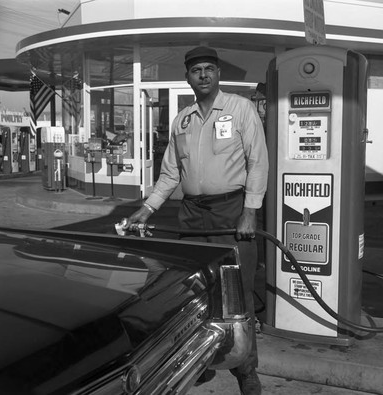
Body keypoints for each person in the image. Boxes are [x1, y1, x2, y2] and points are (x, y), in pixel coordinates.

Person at [123, 46, 268, 395]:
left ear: (218, 73)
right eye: (195, 70)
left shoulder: (240, 109)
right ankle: (200, 362)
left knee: (238, 295)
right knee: (191, 292)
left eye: (209, 69)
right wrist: (148, 208)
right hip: (191, 214)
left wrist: (250, 210)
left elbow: (258, 162)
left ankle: (246, 370)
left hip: (230, 214)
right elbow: (170, 172)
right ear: (187, 76)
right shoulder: (182, 120)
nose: (203, 75)